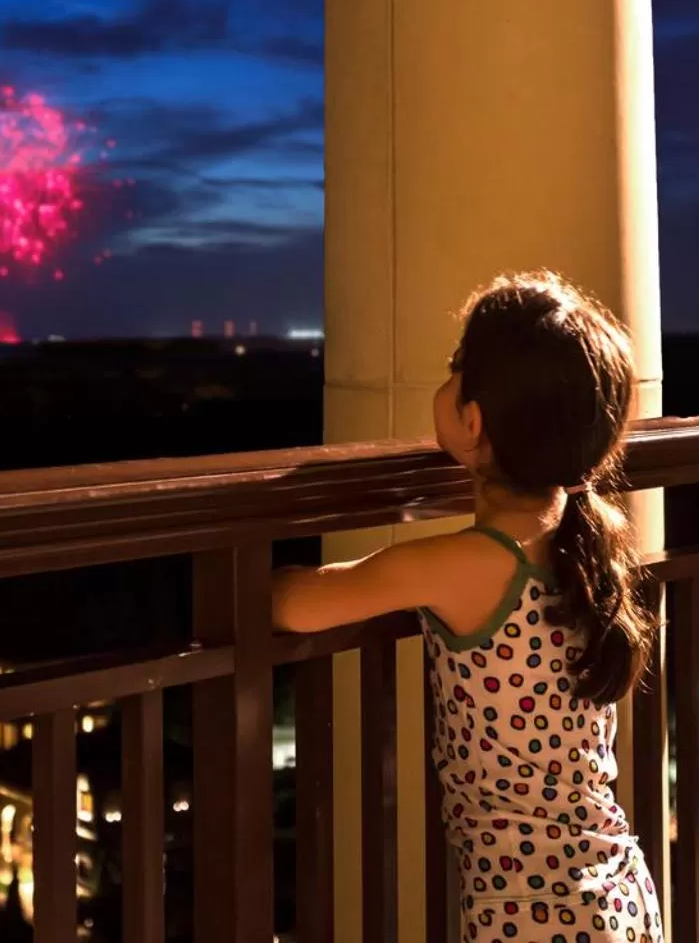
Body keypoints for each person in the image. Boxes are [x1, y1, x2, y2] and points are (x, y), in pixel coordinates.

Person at [271, 271, 663, 942]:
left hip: (532, 917)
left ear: (473, 421)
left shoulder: (467, 564)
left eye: (457, 368)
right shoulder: (582, 544)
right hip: (616, 892)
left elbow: (294, 605)